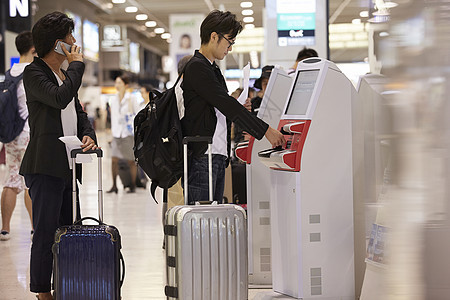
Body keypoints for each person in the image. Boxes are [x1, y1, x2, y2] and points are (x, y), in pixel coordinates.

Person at [19, 12, 98, 300]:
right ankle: (42, 290)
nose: (74, 42)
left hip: (68, 167)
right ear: (58, 45)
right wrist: (78, 66)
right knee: (45, 233)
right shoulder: (34, 72)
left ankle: (68, 282)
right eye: (70, 38)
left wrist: (89, 133)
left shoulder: (63, 75)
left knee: (69, 230)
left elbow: (78, 112)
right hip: (44, 166)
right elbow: (58, 98)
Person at [181, 10, 285, 205]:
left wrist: (237, 105)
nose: (229, 48)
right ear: (214, 37)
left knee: (214, 220)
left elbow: (218, 106)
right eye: (229, 41)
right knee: (202, 224)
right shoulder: (197, 67)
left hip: (217, 154)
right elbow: (224, 103)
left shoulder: (212, 69)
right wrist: (266, 131)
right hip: (203, 156)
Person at [0, 31, 36, 241]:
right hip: (28, 134)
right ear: (33, 49)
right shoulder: (33, 73)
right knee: (31, 182)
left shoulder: (10, 72)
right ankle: (34, 227)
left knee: (11, 181)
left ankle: (5, 229)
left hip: (11, 135)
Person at [107, 74, 140, 193]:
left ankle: (132, 184)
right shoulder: (113, 99)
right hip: (116, 133)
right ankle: (114, 185)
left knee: (131, 160)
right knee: (114, 159)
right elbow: (113, 117)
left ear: (126, 85)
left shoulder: (131, 98)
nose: (117, 85)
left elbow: (137, 115)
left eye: (119, 83)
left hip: (127, 133)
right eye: (116, 82)